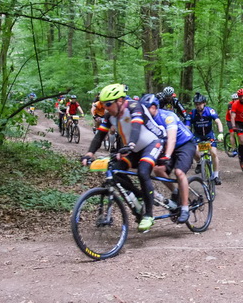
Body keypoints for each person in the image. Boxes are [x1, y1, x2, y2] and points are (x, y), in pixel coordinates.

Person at [82, 84, 166, 232]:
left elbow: (136, 127)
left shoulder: (134, 107)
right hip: (134, 148)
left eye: (108, 104)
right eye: (103, 104)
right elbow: (100, 135)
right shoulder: (109, 116)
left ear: (120, 101)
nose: (106, 108)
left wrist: (130, 144)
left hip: (154, 142)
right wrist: (90, 153)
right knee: (116, 170)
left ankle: (148, 215)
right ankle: (139, 195)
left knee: (143, 171)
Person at [140, 94, 195, 224]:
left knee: (179, 172)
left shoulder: (168, 116)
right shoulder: (147, 120)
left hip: (184, 144)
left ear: (154, 107)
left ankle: (185, 208)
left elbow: (172, 138)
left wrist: (167, 156)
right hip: (167, 147)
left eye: (146, 109)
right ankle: (176, 192)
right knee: (158, 169)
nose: (143, 112)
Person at [187, 93, 225, 185]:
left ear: (204, 103)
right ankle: (199, 163)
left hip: (209, 135)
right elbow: (187, 126)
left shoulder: (209, 111)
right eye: (196, 104)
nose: (198, 106)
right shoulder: (192, 113)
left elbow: (218, 121)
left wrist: (220, 133)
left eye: (200, 103)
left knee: (214, 153)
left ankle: (216, 175)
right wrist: (187, 136)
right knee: (193, 150)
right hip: (197, 136)